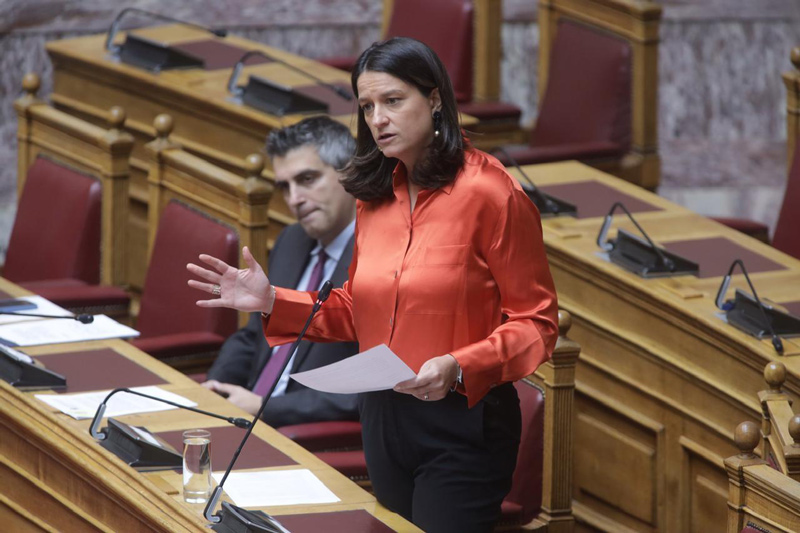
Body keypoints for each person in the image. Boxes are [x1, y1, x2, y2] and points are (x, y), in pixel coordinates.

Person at [188, 37, 558, 532]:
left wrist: (459, 364)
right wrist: (272, 300)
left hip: (462, 420)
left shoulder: (491, 194)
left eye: (393, 101)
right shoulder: (374, 197)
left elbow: (537, 323)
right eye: (366, 106)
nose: (378, 119)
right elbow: (356, 309)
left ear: (434, 99)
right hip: (383, 416)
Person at [201, 116, 359, 428]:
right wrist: (216, 388)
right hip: (246, 418)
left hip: (302, 431)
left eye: (307, 179)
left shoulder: (379, 260)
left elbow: (367, 389)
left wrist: (265, 408)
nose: (294, 199)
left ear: (349, 172)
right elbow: (253, 337)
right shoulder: (291, 240)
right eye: (285, 187)